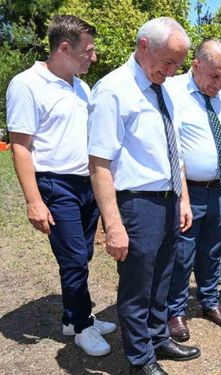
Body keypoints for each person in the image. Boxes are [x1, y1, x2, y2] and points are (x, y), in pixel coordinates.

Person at [88, 17, 200, 374]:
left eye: (177, 64)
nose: (171, 71)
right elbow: (99, 163)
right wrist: (114, 225)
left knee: (163, 278)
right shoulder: (113, 90)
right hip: (137, 202)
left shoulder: (162, 89)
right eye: (167, 61)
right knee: (138, 286)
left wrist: (182, 198)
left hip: (167, 199)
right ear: (143, 46)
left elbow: (175, 150)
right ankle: (140, 359)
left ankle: (157, 338)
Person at [6, 14, 115, 357]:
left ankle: (73, 317)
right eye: (89, 50)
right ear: (65, 48)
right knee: (74, 258)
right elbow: (21, 146)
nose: (93, 57)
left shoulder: (81, 87)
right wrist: (33, 200)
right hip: (55, 184)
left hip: (86, 184)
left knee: (83, 254)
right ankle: (82, 327)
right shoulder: (26, 84)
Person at [164, 39, 221, 343]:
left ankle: (210, 302)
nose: (220, 83)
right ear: (195, 65)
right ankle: (175, 311)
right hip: (189, 191)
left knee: (213, 248)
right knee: (182, 252)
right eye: (214, 76)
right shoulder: (172, 92)